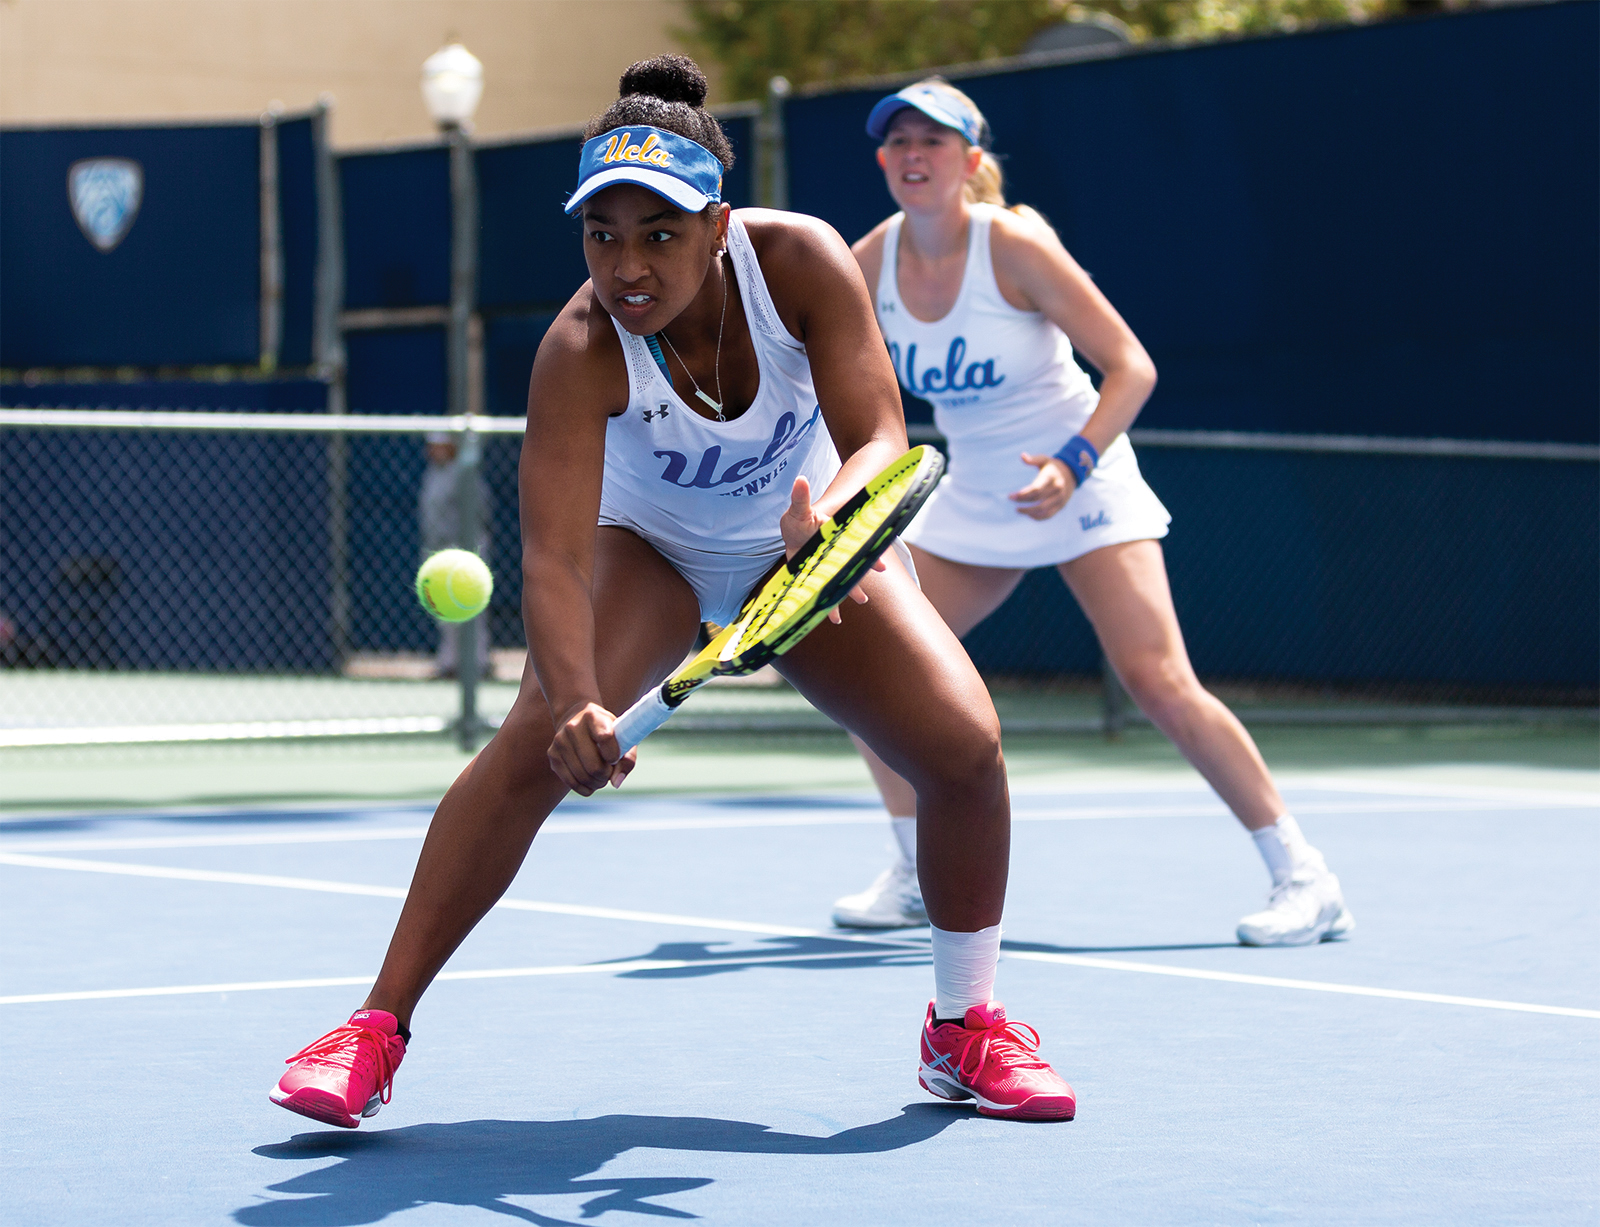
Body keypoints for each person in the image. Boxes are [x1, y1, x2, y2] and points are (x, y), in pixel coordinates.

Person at [270, 56, 1075, 1129]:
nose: (628, 265)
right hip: (647, 548)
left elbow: (880, 434)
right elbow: (552, 557)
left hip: (804, 541)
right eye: (603, 235)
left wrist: (829, 526)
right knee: (526, 755)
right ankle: (369, 1030)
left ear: (718, 226)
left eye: (659, 234)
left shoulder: (800, 261)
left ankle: (963, 1029)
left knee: (965, 750)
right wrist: (572, 704)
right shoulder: (578, 347)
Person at [830, 80, 1353, 949]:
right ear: (884, 161)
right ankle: (915, 868)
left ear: (970, 160)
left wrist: (1074, 464)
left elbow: (1131, 366)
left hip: (1084, 475)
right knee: (865, 668)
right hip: (977, 495)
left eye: (934, 141)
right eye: (900, 143)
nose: (915, 155)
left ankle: (1305, 875)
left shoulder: (1017, 246)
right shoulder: (866, 261)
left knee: (1157, 680)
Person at [418, 432, 490, 678]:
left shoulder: (464, 473)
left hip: (464, 550)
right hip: (437, 549)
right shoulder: (431, 474)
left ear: (450, 447)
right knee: (444, 614)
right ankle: (449, 663)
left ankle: (478, 663)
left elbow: (479, 510)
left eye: (439, 445)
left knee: (472, 612)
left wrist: (465, 544)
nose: (433, 450)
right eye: (431, 446)